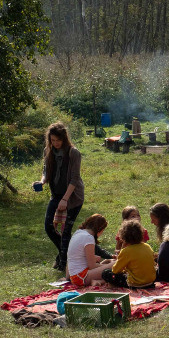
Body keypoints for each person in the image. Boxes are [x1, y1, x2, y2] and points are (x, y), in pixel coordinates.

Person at [33, 122, 85, 271]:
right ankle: (65, 253)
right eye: (52, 140)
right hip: (56, 194)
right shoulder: (48, 151)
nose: (55, 143)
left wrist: (65, 200)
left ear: (64, 138)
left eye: (58, 140)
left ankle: (64, 263)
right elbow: (46, 171)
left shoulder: (73, 153)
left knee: (66, 230)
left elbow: (75, 179)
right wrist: (42, 182)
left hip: (73, 196)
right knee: (49, 227)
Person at [102, 220, 156, 288]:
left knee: (106, 273)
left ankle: (112, 285)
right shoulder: (147, 246)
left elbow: (115, 270)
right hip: (150, 282)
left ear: (123, 237)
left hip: (135, 284)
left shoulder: (126, 251)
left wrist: (121, 250)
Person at [66, 214, 115, 287]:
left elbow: (73, 258)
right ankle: (100, 281)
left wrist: (95, 258)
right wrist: (107, 265)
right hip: (81, 277)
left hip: (75, 276)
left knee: (108, 263)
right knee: (115, 265)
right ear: (100, 230)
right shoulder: (89, 238)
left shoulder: (78, 233)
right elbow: (92, 266)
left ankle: (100, 281)